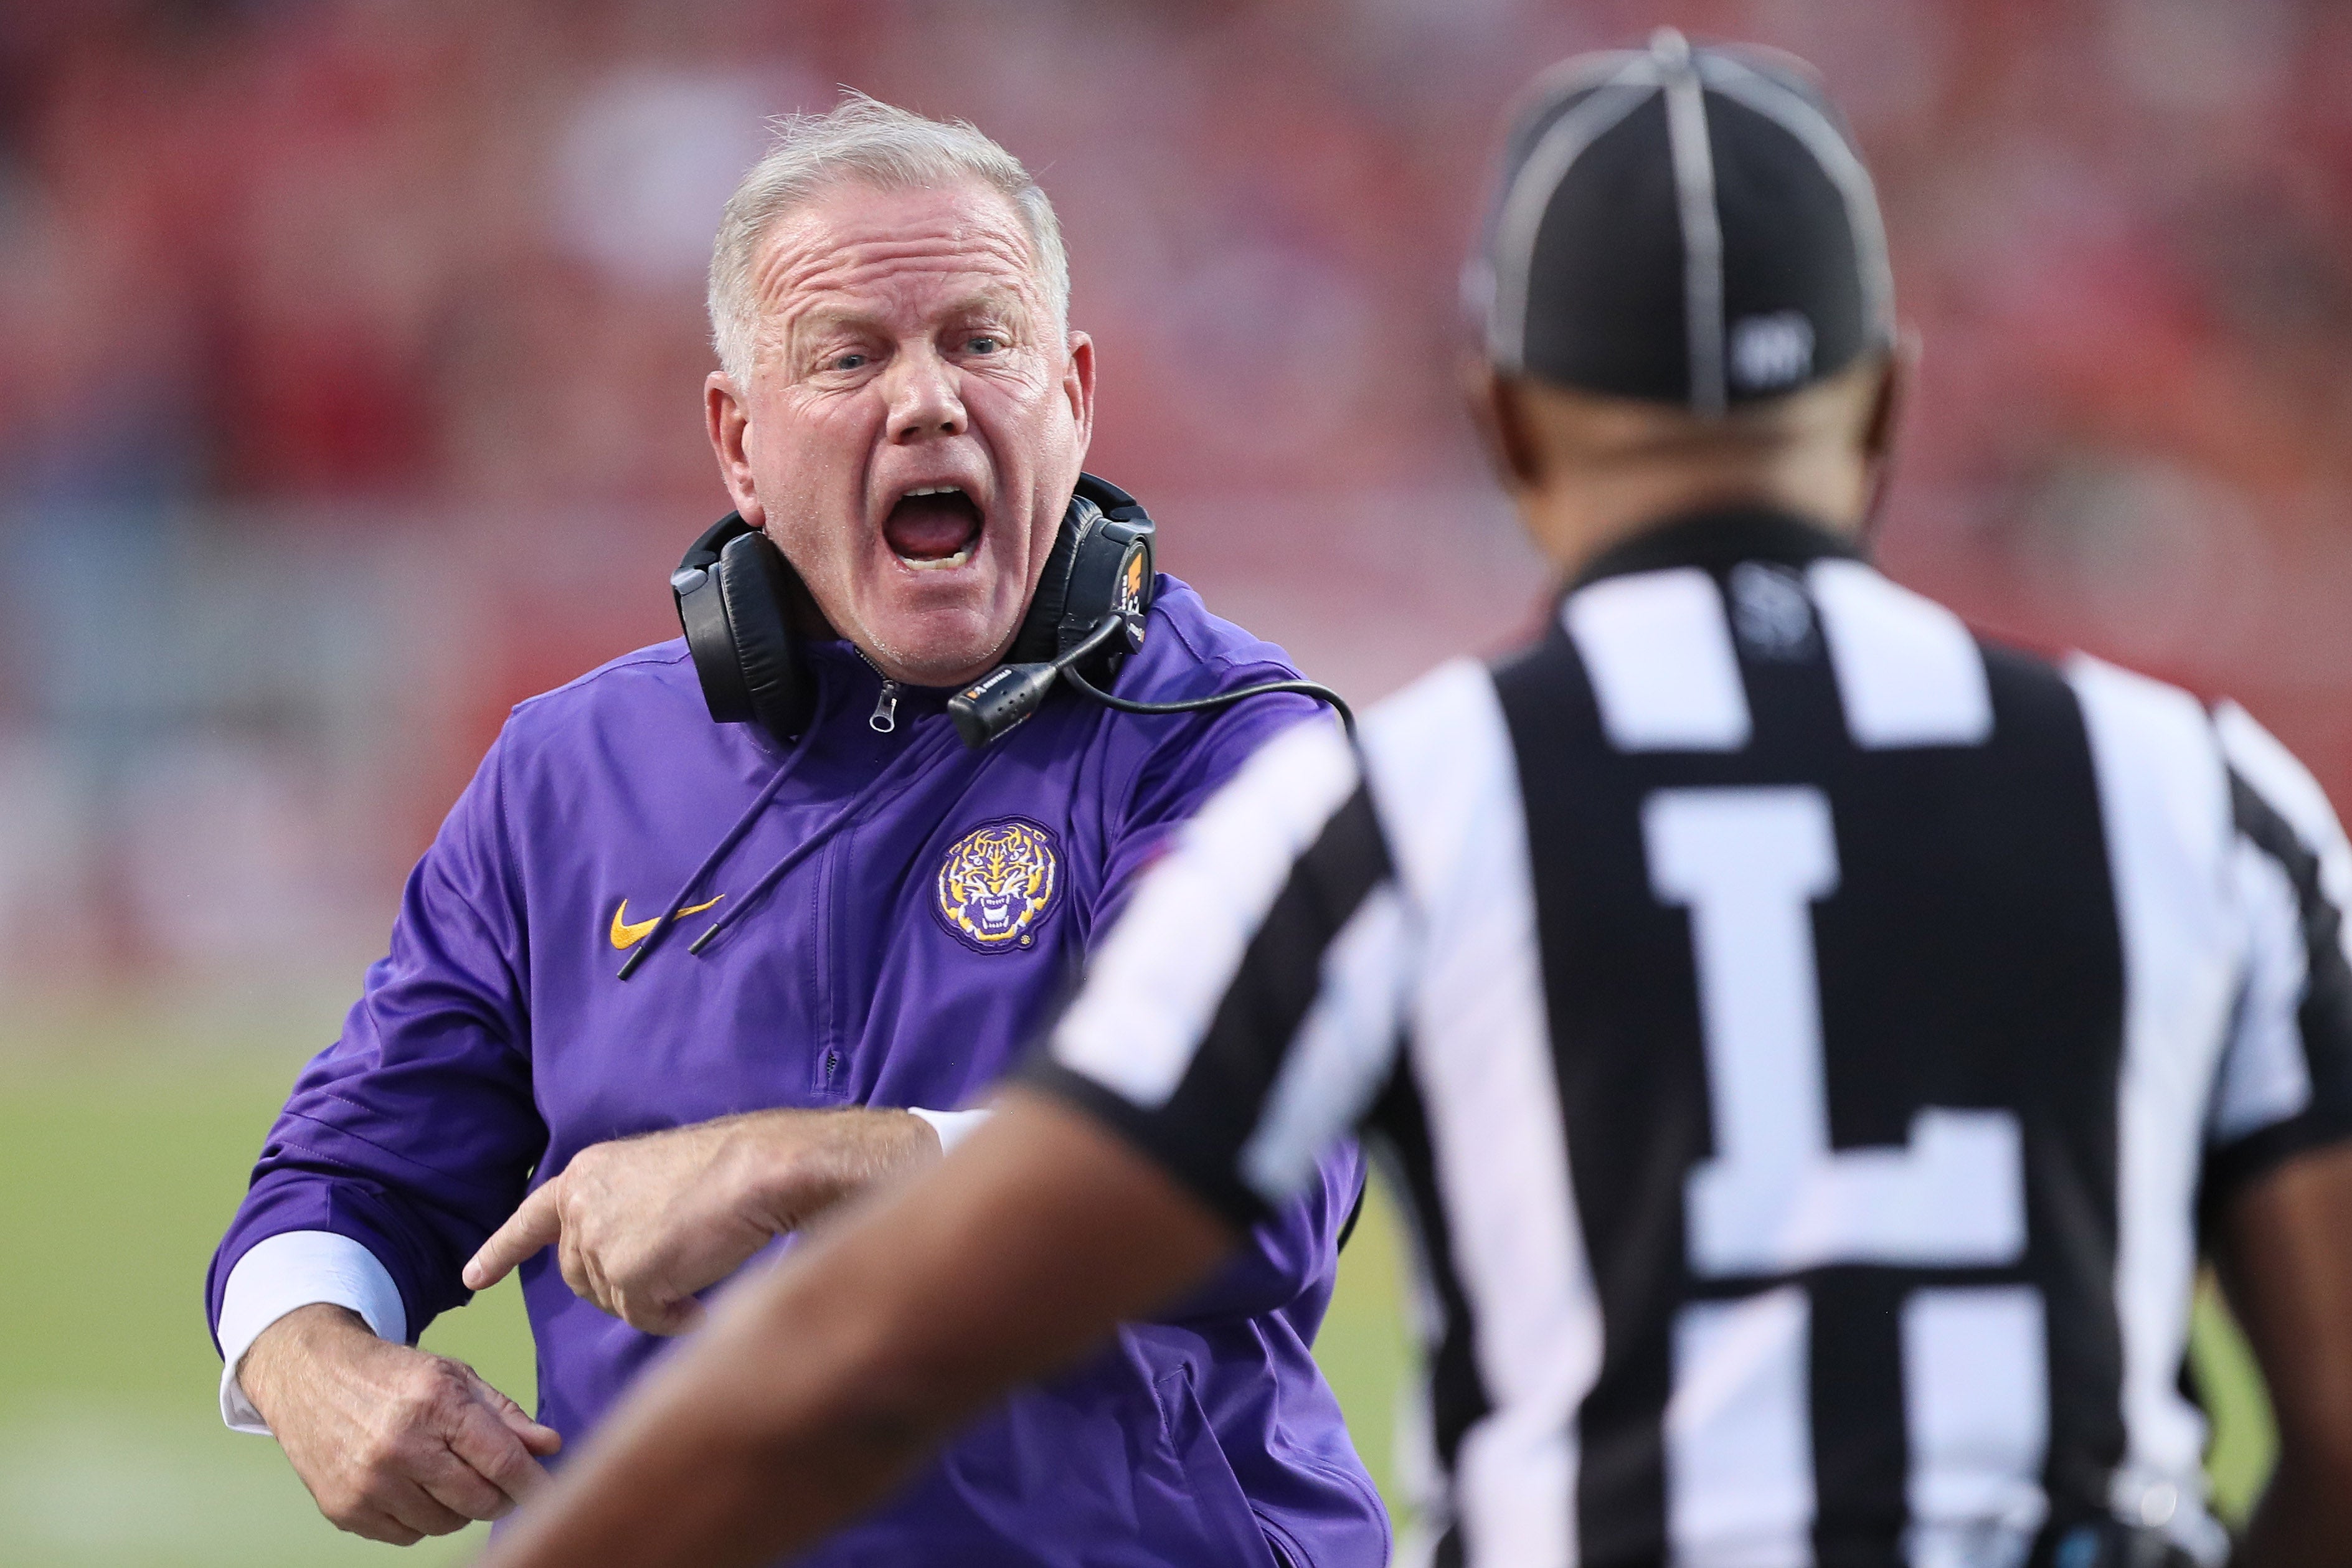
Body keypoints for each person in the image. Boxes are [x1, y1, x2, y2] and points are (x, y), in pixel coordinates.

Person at [472, 32, 2352, 1568]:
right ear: (1882, 404)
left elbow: (886, 1353)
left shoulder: (1407, 808)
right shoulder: (2203, 795)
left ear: (1507, 420)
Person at [204, 96, 1389, 1568]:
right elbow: (348, 1175)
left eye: (980, 340)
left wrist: (785, 1164)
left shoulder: (1228, 741)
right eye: (849, 357)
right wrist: (308, 1355)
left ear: (1072, 397)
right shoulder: (567, 772)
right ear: (739, 442)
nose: (926, 400)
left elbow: (1246, 1171)